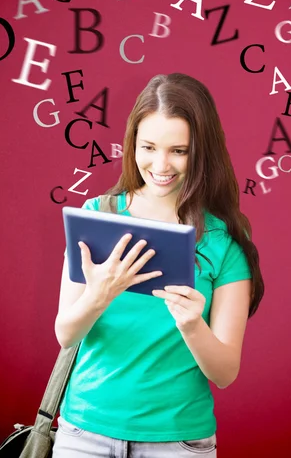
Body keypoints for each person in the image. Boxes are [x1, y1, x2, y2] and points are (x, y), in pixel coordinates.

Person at [53, 72, 264, 458]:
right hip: (84, 432)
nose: (160, 164)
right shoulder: (95, 217)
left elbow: (225, 373)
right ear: (132, 142)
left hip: (178, 441)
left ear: (202, 151)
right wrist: (98, 296)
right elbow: (65, 333)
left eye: (179, 151)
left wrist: (191, 325)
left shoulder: (224, 244)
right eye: (148, 147)